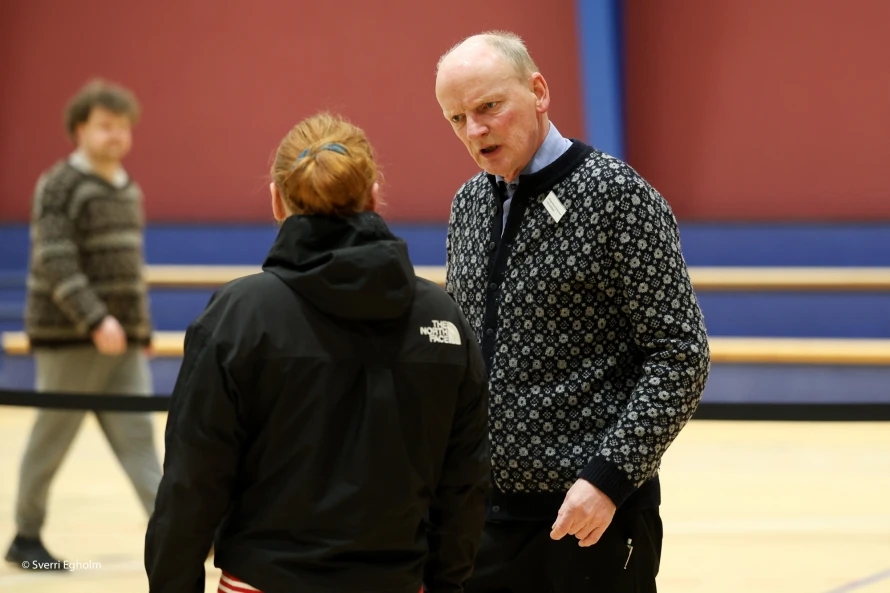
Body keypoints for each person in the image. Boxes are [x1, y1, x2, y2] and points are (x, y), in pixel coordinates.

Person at [144, 112, 491, 593]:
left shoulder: (238, 316)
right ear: (374, 197)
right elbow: (464, 486)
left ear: (276, 200)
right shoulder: (443, 318)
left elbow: (192, 485)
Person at [434, 31, 711, 592]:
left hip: (594, 522)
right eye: (457, 118)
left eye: (489, 107)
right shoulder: (468, 204)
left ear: (538, 92)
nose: (475, 130)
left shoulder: (618, 196)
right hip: (481, 523)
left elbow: (681, 354)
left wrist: (608, 480)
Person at [4, 79, 163, 570]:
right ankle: (26, 538)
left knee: (140, 442)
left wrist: (140, 329)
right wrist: (95, 319)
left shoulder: (128, 188)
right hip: (69, 339)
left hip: (123, 344)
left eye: (122, 126)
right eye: (105, 125)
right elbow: (55, 260)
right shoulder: (59, 184)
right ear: (79, 129)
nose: (116, 135)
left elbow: (130, 270)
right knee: (52, 438)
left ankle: (175, 532)